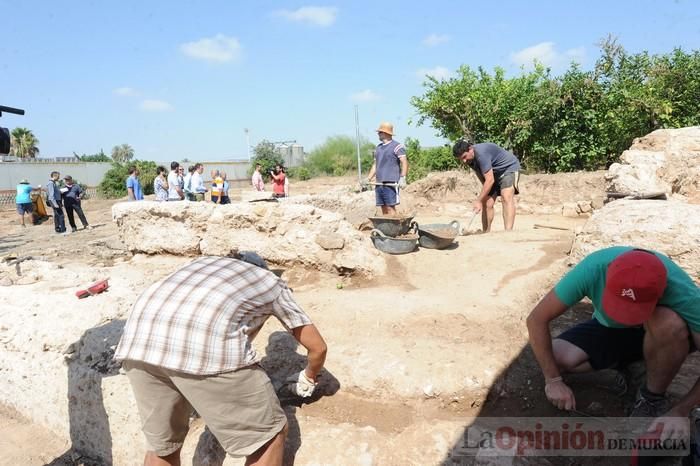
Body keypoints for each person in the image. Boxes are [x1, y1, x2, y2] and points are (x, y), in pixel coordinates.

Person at [114, 251, 328, 466]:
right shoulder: (268, 281)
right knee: (267, 438)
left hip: (137, 347)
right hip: (205, 353)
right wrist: (308, 377)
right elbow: (318, 348)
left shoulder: (199, 264)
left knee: (162, 447)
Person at [526, 246, 700, 440]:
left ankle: (652, 398)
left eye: (632, 309)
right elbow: (536, 319)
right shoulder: (593, 269)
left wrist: (681, 410)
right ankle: (634, 365)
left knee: (669, 323)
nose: (626, 315)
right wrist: (553, 380)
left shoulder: (684, 293)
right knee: (555, 358)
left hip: (660, 334)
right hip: (610, 328)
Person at [452, 140, 521, 232]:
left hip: (508, 168)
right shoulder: (469, 159)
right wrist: (482, 199)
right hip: (493, 174)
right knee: (487, 202)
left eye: (464, 157)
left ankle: (508, 232)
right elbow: (481, 175)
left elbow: (490, 180)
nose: (464, 161)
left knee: (506, 196)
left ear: (470, 149)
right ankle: (486, 232)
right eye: (461, 159)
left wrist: (478, 200)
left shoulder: (481, 154)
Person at [365, 122, 408, 216]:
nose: (378, 134)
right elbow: (375, 165)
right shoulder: (378, 148)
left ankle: (395, 228)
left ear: (386, 133)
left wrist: (403, 178)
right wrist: (368, 178)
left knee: (390, 207)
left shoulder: (397, 146)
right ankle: (387, 228)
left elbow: (404, 161)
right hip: (379, 182)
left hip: (391, 182)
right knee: (383, 207)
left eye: (380, 132)